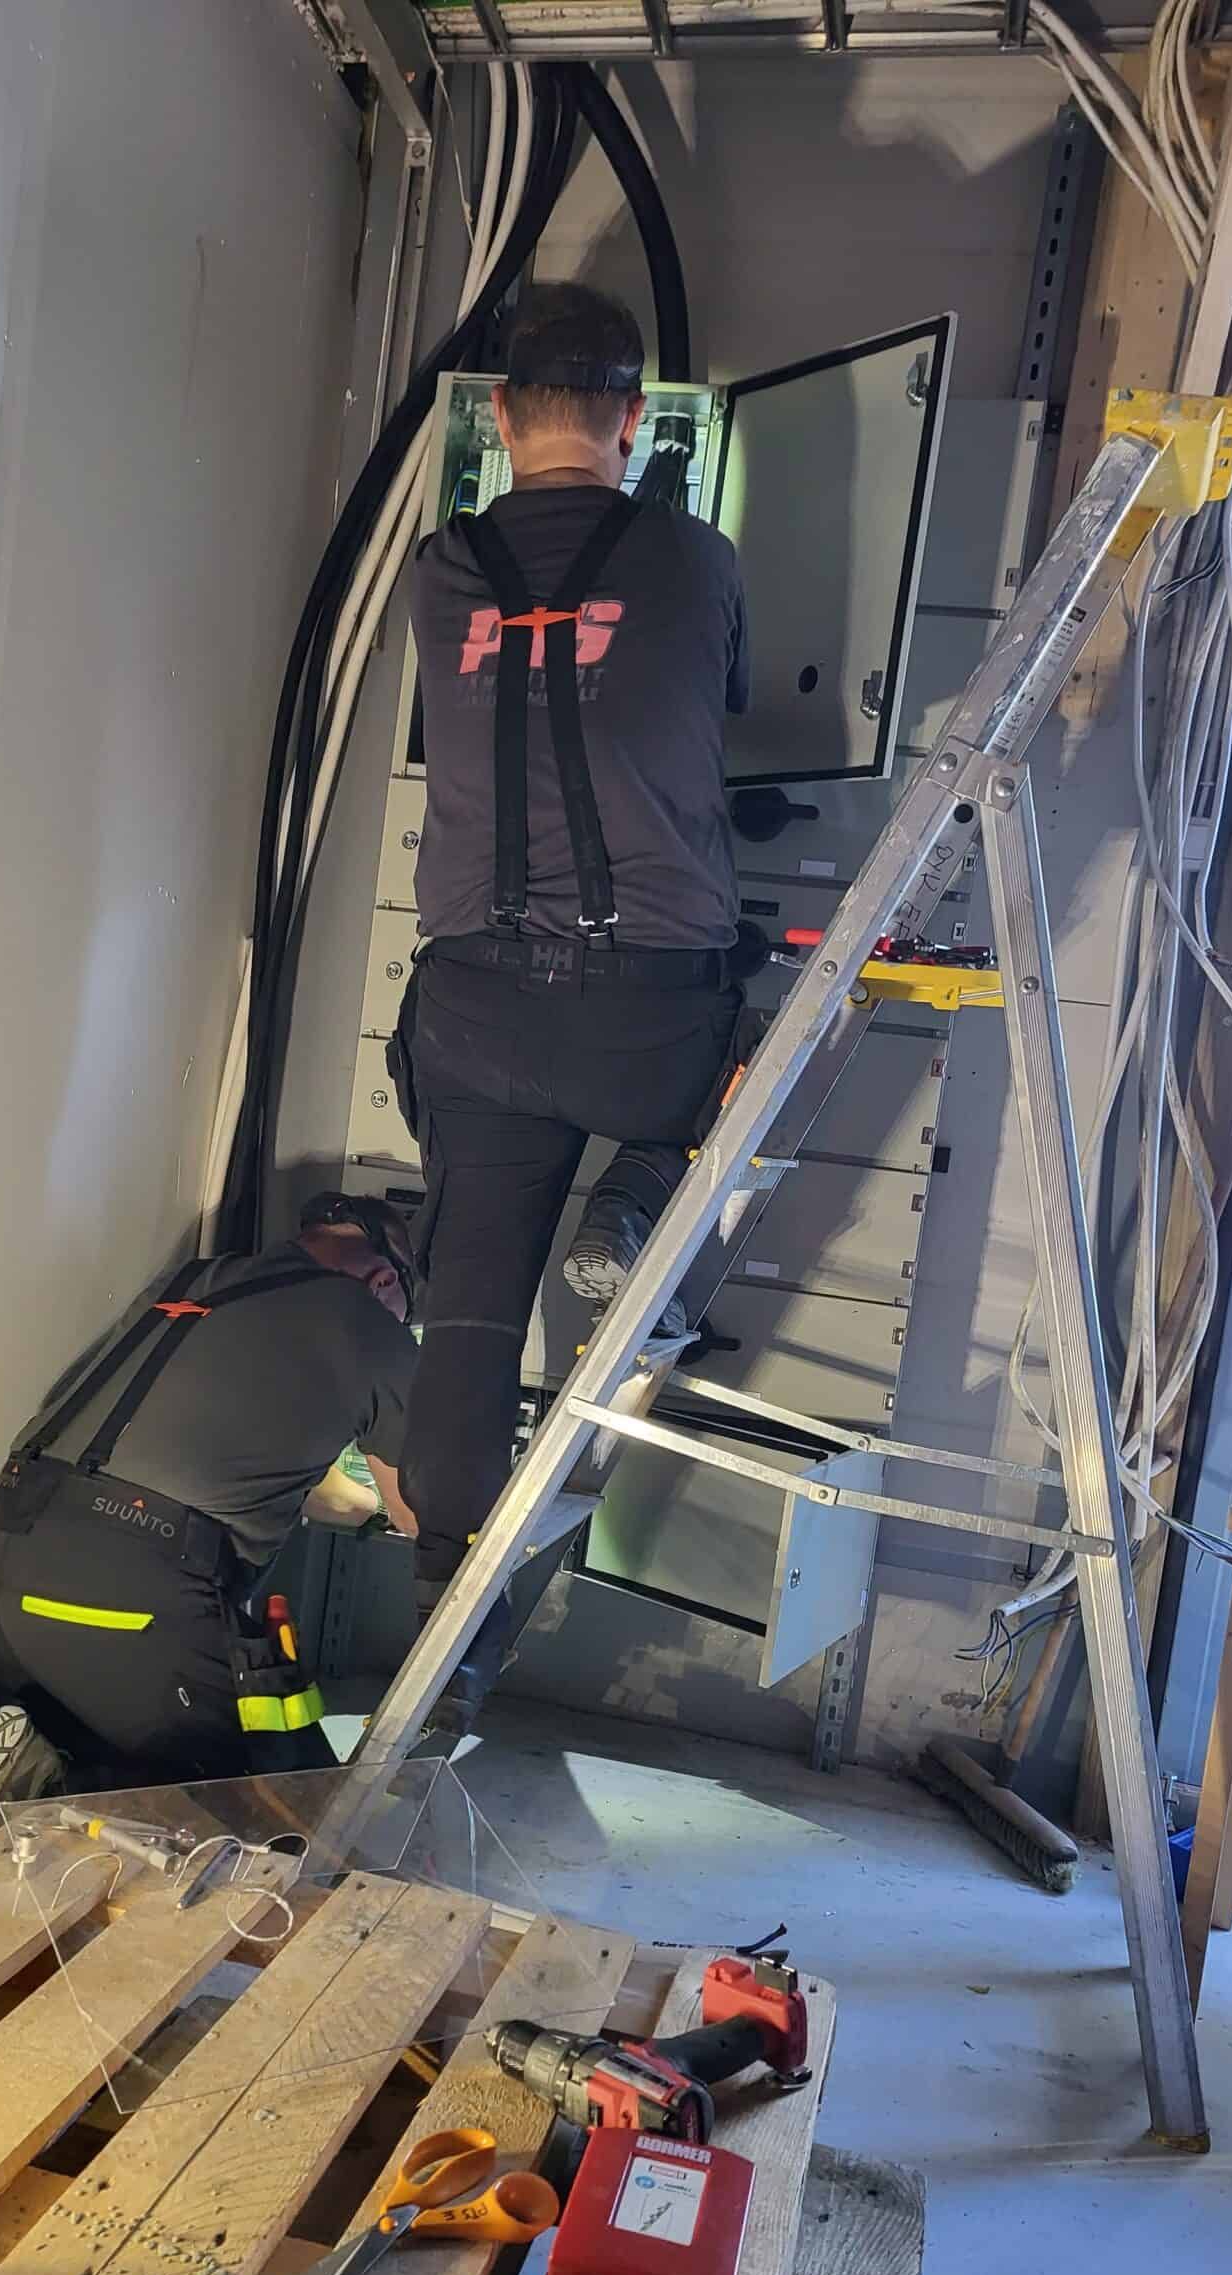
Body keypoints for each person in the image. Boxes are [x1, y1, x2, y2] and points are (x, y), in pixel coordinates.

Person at [395, 279, 751, 1659]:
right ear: (630, 418)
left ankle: (443, 1622)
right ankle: (639, 1194)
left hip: (474, 1008)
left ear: (497, 417)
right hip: (646, 1020)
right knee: (749, 1059)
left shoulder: (439, 572)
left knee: (472, 1304)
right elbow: (701, 704)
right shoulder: (698, 559)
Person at [0, 1193, 419, 1786]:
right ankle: (47, 1788)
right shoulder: (370, 1322)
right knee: (271, 1803)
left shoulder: (196, 1278)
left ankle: (13, 1775)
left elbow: (307, 1487)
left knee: (104, 1757)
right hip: (126, 1596)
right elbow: (420, 1516)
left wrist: (356, 1502)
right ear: (383, 1282)